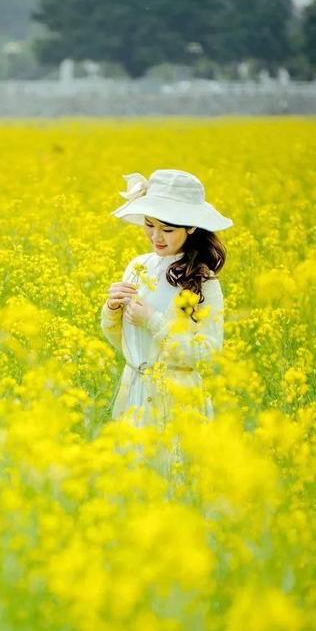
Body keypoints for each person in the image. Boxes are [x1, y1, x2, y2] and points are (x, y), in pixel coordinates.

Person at [100, 169, 233, 434]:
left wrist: (153, 321)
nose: (155, 237)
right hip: (134, 396)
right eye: (149, 225)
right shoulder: (138, 266)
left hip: (177, 402)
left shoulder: (203, 281)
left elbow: (206, 354)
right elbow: (126, 343)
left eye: (167, 229)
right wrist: (112, 310)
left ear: (192, 227)